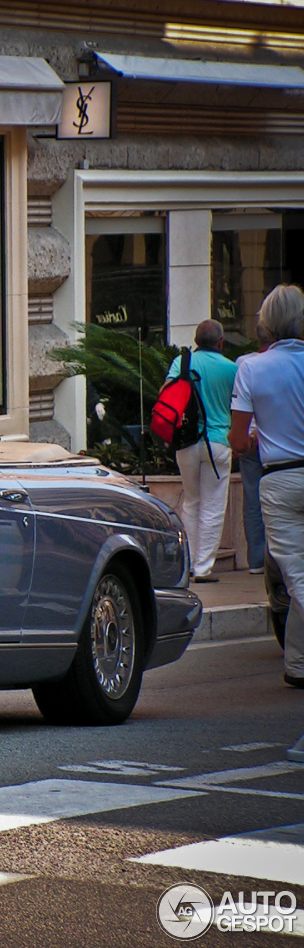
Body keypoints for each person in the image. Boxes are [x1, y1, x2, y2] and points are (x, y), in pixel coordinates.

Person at [230, 284, 304, 689]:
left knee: (296, 579)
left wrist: (261, 439)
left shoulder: (251, 367)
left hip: (279, 479)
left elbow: (239, 441)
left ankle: (298, 664)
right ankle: (297, 664)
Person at [166, 318, 238, 583]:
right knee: (213, 506)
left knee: (191, 502)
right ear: (220, 342)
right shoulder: (232, 369)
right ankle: (204, 568)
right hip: (218, 442)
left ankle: (187, 564)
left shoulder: (181, 363)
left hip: (186, 442)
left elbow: (167, 393)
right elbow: (240, 407)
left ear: (196, 341)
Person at [236, 327, 272, 575]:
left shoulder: (243, 362)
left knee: (252, 499)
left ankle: (256, 560)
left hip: (248, 439)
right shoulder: (284, 363)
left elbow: (238, 401)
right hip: (274, 440)